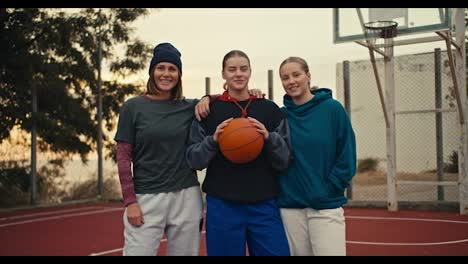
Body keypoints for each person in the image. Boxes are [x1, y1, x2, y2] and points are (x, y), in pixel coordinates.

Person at [185, 50, 291, 256]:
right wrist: (213, 141)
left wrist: (268, 138)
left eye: (243, 69)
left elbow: (284, 159)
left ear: (250, 71)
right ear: (223, 74)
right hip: (223, 203)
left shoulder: (269, 109)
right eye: (232, 69)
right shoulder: (208, 112)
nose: (238, 74)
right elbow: (193, 159)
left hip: (264, 201)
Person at [114, 42, 215, 256]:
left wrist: (209, 97)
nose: (166, 74)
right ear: (152, 72)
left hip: (186, 196)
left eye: (172, 69)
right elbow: (123, 158)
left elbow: (225, 101)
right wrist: (130, 202)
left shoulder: (188, 107)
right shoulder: (133, 107)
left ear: (179, 74)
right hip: (146, 198)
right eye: (161, 68)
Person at [276, 56, 356, 256]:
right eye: (285, 77)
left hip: (325, 206)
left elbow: (346, 155)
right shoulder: (280, 116)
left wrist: (329, 189)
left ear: (308, 76)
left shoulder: (332, 109)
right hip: (290, 207)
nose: (291, 81)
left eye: (296, 74)